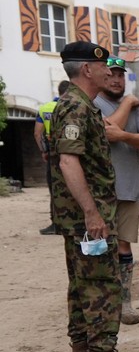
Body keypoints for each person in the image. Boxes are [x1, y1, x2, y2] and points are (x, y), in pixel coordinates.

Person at [51, 41, 139, 352]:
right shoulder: (76, 108)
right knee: (101, 287)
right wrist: (92, 214)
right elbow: (68, 160)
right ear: (87, 70)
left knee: (81, 287)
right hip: (87, 218)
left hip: (76, 217)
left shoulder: (79, 105)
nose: (110, 71)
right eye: (103, 66)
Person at [95, 57, 139, 325]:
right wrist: (127, 106)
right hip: (99, 191)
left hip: (130, 189)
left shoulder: (138, 107)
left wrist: (125, 137)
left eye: (120, 75)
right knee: (98, 246)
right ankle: (100, 301)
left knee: (123, 245)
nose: (116, 80)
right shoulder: (93, 103)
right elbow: (108, 130)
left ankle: (125, 301)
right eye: (110, 75)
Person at [35, 80, 70, 235]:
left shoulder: (45, 108)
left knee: (55, 189)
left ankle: (56, 224)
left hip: (53, 155)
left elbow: (37, 133)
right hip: (72, 152)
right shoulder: (73, 106)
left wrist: (44, 151)